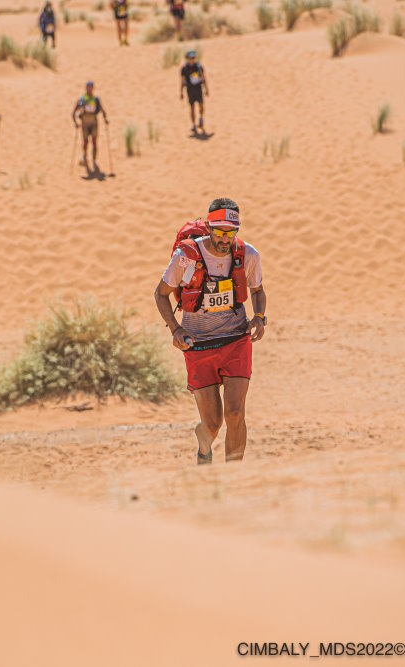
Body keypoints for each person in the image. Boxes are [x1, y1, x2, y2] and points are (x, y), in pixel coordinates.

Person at [153, 198, 267, 465]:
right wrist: (175, 329)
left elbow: (258, 291)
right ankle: (204, 446)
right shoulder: (186, 258)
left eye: (231, 231)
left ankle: (234, 481)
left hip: (236, 340)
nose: (225, 238)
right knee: (213, 423)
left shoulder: (247, 254)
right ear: (208, 227)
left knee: (236, 414)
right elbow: (160, 294)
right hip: (198, 344)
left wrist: (259, 317)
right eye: (219, 230)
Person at [72, 81, 109, 173]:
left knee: (94, 141)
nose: (89, 89)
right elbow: (73, 112)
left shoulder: (96, 99)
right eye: (88, 87)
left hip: (94, 123)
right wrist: (76, 123)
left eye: (91, 87)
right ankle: (85, 156)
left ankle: (94, 160)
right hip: (85, 123)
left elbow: (102, 110)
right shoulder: (82, 99)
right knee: (85, 142)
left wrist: (105, 119)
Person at [180, 50, 208, 134]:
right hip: (190, 90)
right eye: (190, 58)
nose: (192, 59)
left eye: (193, 58)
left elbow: (203, 78)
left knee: (201, 105)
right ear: (187, 59)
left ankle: (201, 118)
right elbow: (182, 81)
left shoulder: (199, 67)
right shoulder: (184, 69)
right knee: (192, 107)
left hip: (198, 89)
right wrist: (181, 92)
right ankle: (193, 124)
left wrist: (206, 89)